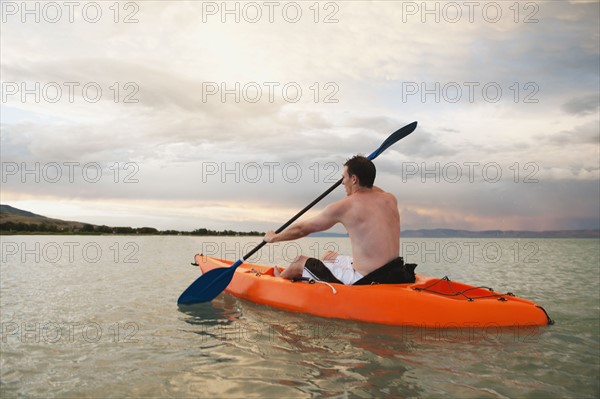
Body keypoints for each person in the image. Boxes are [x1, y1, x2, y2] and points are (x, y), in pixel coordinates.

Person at [264, 155, 410, 285]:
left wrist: (274, 238)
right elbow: (370, 187)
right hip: (396, 272)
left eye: (344, 177)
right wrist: (362, 177)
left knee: (298, 262)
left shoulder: (344, 206)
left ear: (354, 179)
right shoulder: (390, 199)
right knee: (328, 256)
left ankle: (279, 281)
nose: (342, 182)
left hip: (365, 278)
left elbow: (301, 229)